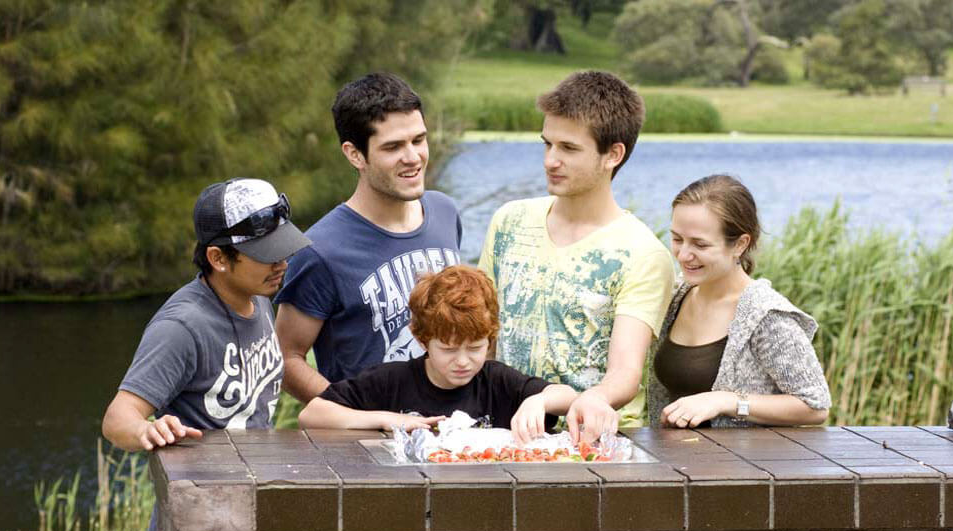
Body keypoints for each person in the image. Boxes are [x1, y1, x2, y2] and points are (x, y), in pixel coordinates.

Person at [101, 177, 309, 531]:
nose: (281, 262)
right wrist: (146, 430)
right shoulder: (182, 326)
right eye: (265, 254)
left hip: (248, 518)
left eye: (282, 247)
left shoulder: (259, 297)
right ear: (218, 257)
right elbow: (117, 418)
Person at [477, 70, 675, 439]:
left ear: (612, 154)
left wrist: (580, 399)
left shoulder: (643, 253)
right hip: (502, 435)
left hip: (593, 443)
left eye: (568, 148)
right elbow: (483, 337)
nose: (551, 160)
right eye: (547, 144)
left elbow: (624, 374)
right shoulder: (509, 221)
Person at [275, 72, 462, 408]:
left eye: (418, 140)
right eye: (393, 147)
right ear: (355, 154)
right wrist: (353, 415)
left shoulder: (445, 212)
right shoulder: (320, 249)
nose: (413, 157)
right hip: (368, 450)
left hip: (451, 435)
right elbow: (286, 359)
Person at [298, 265, 600, 445]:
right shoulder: (392, 380)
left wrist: (540, 399)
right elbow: (312, 414)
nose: (463, 361)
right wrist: (387, 419)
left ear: (490, 338)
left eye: (475, 347)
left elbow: (569, 397)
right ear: (423, 340)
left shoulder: (495, 380)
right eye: (448, 349)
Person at [648, 174, 830, 428]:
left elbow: (815, 406)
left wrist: (726, 401)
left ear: (740, 244)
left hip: (743, 466)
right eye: (677, 239)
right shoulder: (677, 295)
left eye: (700, 244)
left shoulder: (766, 315)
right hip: (675, 463)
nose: (683, 254)